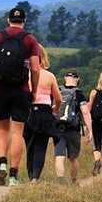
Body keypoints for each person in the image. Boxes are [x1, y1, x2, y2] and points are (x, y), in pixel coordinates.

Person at [0, 6, 41, 186]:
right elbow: (35, 69)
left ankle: (2, 164)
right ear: (24, 21)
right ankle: (13, 176)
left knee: (2, 128)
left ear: (8, 20)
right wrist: (34, 90)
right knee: (17, 131)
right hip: (21, 90)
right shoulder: (30, 40)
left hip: (0, 89)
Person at [23, 46, 61, 183]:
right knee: (41, 146)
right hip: (45, 111)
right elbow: (58, 98)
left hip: (27, 111)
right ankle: (35, 177)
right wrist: (55, 110)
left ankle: (30, 175)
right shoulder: (49, 76)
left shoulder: (24, 74)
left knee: (29, 145)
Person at [54, 70, 93, 184]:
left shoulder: (58, 90)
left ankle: (60, 180)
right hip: (73, 130)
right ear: (77, 79)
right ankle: (74, 181)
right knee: (73, 158)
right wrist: (90, 130)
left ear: (65, 78)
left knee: (59, 156)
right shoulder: (79, 93)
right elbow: (85, 112)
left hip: (58, 128)